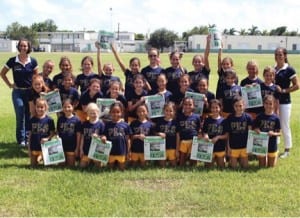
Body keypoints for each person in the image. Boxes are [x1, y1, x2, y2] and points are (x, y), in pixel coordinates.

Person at [0, 38, 39, 147]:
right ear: (18, 47)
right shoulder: (13, 60)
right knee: (20, 113)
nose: (23, 48)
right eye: (21, 46)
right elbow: (2, 73)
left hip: (30, 93)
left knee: (29, 115)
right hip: (17, 92)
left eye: (25, 46)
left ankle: (27, 139)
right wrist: (10, 84)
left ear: (28, 47)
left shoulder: (33, 61)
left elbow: (37, 77)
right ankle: (20, 140)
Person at [274, 47, 299, 158]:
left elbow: (297, 86)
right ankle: (274, 147)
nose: (278, 56)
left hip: (284, 102)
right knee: (275, 125)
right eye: (276, 54)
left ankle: (287, 150)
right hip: (273, 102)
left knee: (284, 125)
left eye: (280, 54)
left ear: (285, 55)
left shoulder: (289, 69)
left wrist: (284, 91)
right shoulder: (273, 69)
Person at [101, 102, 132, 170]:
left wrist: (128, 151)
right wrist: (103, 137)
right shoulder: (107, 125)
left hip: (121, 151)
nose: (115, 114)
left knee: (122, 168)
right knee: (110, 169)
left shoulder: (125, 125)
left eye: (118, 112)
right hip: (110, 151)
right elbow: (103, 134)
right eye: (113, 112)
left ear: (121, 113)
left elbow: (128, 139)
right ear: (110, 113)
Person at [253, 95, 281, 167]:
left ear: (274, 104)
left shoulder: (276, 118)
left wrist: (273, 133)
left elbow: (279, 133)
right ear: (263, 104)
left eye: (270, 104)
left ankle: (276, 153)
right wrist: (256, 129)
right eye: (266, 103)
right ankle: (264, 156)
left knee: (271, 166)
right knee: (262, 165)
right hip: (261, 143)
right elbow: (254, 127)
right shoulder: (259, 116)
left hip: (272, 143)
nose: (268, 106)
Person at [224, 96, 252, 169]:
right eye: (236, 106)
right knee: (233, 167)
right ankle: (232, 160)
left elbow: (250, 134)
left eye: (240, 106)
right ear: (233, 107)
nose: (238, 108)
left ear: (244, 106)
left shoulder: (248, 117)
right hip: (233, 146)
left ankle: (240, 159)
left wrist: (249, 147)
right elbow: (228, 134)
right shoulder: (230, 117)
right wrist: (228, 147)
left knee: (245, 167)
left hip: (244, 146)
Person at [27, 98, 55, 166]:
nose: (40, 109)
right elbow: (29, 135)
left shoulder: (50, 120)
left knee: (47, 166)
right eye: (38, 107)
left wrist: (48, 138)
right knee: (33, 165)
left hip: (45, 147)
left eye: (42, 107)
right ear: (35, 107)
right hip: (34, 146)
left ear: (46, 108)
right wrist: (29, 148)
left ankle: (42, 156)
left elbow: (53, 133)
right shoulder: (32, 120)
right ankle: (39, 157)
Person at [201, 99, 227, 168]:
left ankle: (223, 159)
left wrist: (218, 137)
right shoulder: (207, 120)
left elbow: (226, 135)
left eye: (216, 107)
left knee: (221, 167)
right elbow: (204, 131)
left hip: (220, 147)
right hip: (209, 147)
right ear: (210, 108)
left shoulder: (224, 121)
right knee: (208, 167)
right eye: (212, 107)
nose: (215, 109)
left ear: (220, 108)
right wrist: (205, 135)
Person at [176, 97, 201, 166]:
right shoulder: (179, 116)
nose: (187, 106)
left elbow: (199, 129)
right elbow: (177, 133)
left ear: (193, 106)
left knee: (193, 164)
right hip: (183, 141)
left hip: (193, 141)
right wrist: (177, 148)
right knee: (181, 164)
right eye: (185, 104)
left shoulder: (197, 117)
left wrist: (199, 135)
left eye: (190, 104)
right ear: (182, 105)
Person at [79, 102, 105, 168]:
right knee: (82, 166)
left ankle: (94, 161)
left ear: (98, 112)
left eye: (95, 113)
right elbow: (82, 137)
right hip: (86, 149)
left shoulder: (101, 124)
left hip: (96, 150)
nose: (93, 115)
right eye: (91, 113)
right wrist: (81, 149)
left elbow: (104, 137)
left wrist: (98, 137)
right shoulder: (85, 124)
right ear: (87, 113)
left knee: (98, 167)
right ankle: (89, 161)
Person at [57, 99, 81, 167]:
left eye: (69, 107)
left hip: (72, 146)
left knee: (70, 166)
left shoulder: (77, 120)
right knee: (61, 165)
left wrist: (77, 148)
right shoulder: (60, 119)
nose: (67, 109)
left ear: (73, 107)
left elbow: (78, 135)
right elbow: (58, 132)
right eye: (64, 107)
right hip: (61, 146)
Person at [155, 102, 178, 167]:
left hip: (172, 147)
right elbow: (155, 132)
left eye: (171, 111)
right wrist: (159, 133)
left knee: (174, 165)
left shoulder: (175, 122)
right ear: (163, 111)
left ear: (174, 112)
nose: (168, 112)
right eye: (166, 110)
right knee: (162, 166)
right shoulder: (160, 121)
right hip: (162, 148)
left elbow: (178, 136)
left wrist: (177, 149)